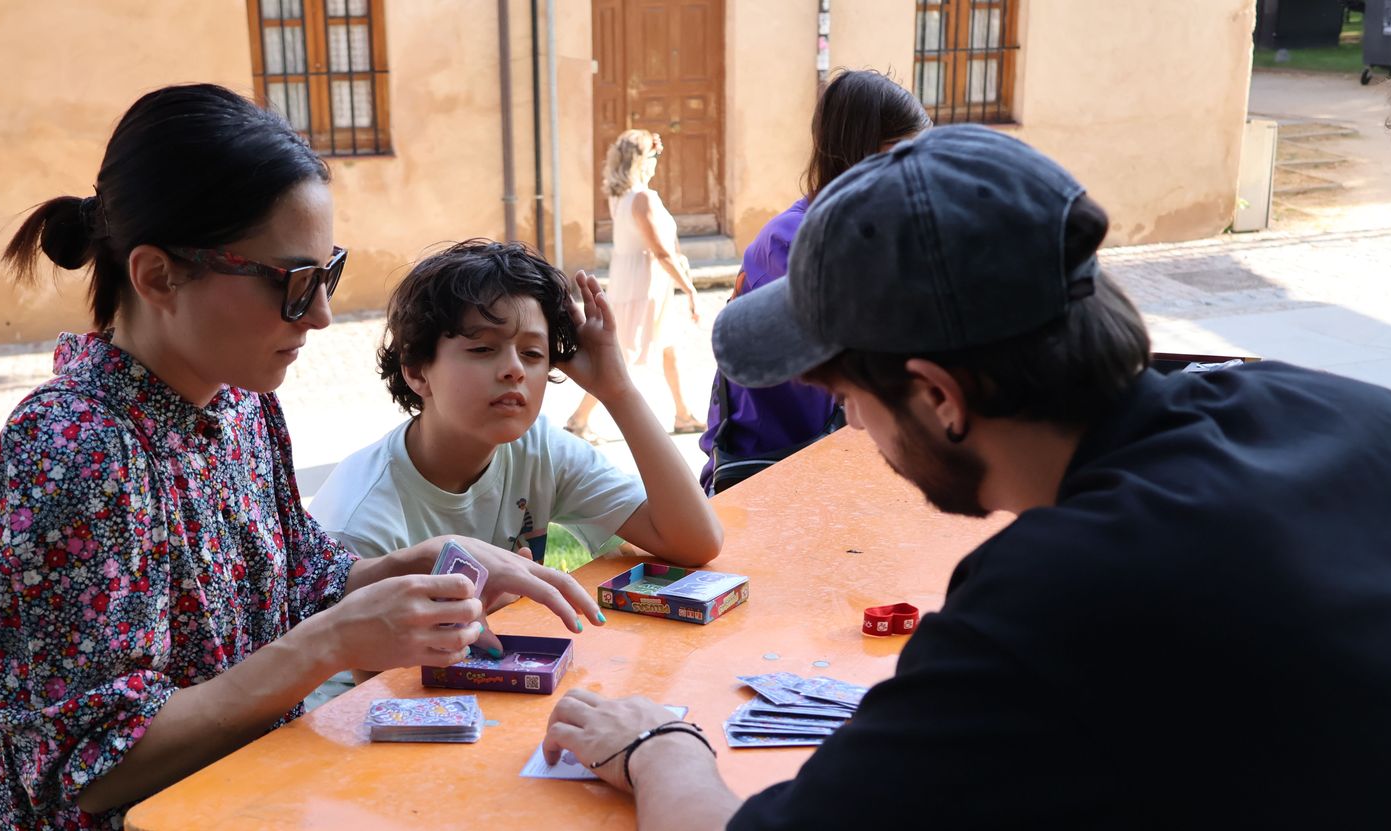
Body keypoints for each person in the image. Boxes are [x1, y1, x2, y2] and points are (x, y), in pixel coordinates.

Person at [536, 125, 1391, 831]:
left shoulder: (1069, 594)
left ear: (938, 397)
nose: (850, 423)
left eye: (846, 394)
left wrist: (660, 748)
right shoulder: (1353, 414)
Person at [0, 83, 626, 831]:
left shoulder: (235, 405)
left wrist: (425, 562)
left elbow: (302, 577)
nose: (319, 313)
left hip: (257, 826)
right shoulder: (67, 461)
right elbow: (96, 770)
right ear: (157, 275)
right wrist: (329, 644)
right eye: (291, 281)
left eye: (328, 273)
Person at [310, 239, 723, 568]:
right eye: (482, 349)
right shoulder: (359, 524)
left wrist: (618, 393)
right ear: (418, 371)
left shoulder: (538, 450)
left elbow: (695, 541)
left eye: (532, 353)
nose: (514, 370)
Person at [700, 68, 930, 495]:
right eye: (899, 154)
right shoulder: (791, 240)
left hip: (829, 457)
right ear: (859, 153)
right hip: (769, 462)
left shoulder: (868, 230)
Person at [564, 129, 705, 441]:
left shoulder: (621, 197)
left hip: (638, 282)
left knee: (668, 347)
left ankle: (683, 414)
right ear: (641, 161)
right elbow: (661, 251)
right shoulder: (643, 198)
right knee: (622, 354)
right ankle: (578, 419)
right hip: (643, 285)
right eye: (654, 156)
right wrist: (690, 288)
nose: (657, 162)